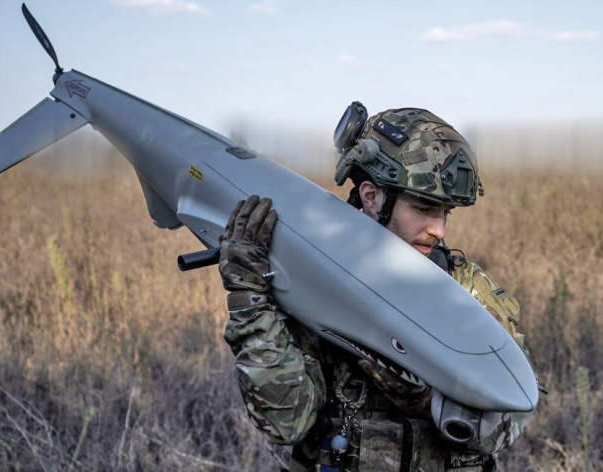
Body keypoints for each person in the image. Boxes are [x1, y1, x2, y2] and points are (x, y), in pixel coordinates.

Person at [219, 106, 535, 472]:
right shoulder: (317, 281)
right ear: (371, 196)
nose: (439, 230)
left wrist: (423, 391)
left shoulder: (468, 293)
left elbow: (509, 419)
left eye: (445, 213)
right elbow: (285, 422)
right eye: (424, 209)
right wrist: (250, 300)